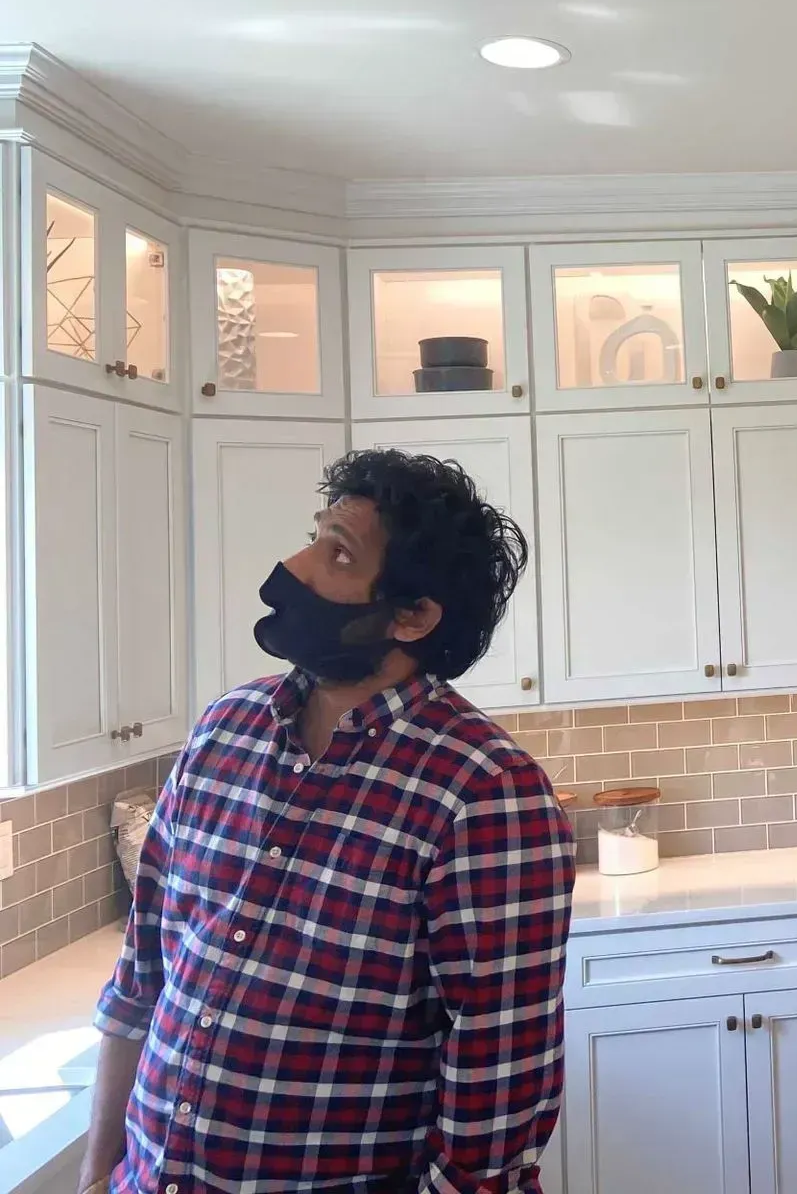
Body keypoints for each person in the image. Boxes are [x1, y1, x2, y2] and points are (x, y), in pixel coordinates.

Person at [81, 450, 575, 1194]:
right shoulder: (224, 732)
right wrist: (97, 1177)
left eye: (337, 551)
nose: (295, 564)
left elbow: (494, 1102)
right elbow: (142, 979)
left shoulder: (485, 794)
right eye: (314, 535)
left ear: (412, 616)